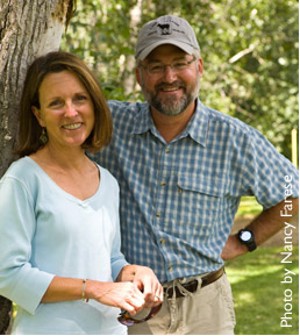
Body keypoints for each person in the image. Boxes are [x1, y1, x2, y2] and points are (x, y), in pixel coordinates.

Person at [91, 15, 299, 335]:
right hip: (134, 308)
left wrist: (245, 240)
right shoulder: (110, 127)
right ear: (140, 75)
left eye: (180, 63)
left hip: (207, 308)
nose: (169, 76)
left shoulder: (234, 139)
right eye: (156, 66)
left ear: (199, 67)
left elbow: (292, 193)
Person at [0, 51, 163, 335]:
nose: (71, 112)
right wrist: (94, 289)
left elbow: (109, 259)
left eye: (80, 98)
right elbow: (8, 274)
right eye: (56, 103)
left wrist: (135, 273)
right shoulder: (24, 178)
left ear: (94, 104)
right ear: (39, 115)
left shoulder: (107, 182)